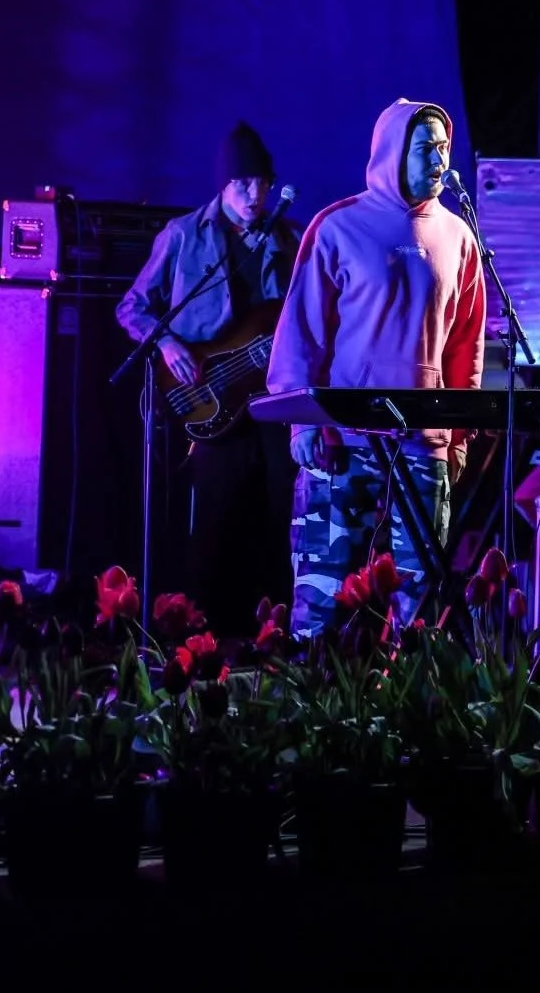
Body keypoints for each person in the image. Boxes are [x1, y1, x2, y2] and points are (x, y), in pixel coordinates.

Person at [265, 99, 486, 636]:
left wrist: (457, 439)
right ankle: (312, 705)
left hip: (422, 444)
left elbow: (465, 345)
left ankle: (404, 710)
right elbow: (302, 331)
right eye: (424, 148)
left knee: (420, 601)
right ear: (392, 152)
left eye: (444, 148)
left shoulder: (459, 236)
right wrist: (304, 420)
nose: (438, 159)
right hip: (346, 440)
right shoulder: (339, 227)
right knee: (323, 593)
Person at [116, 121, 299, 636]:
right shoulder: (182, 235)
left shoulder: (289, 239)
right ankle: (208, 635)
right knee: (219, 517)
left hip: (271, 395)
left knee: (276, 511)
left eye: (262, 183)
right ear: (222, 185)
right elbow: (132, 306)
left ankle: (271, 635)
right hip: (208, 391)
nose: (255, 194)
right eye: (243, 184)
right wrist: (168, 342)